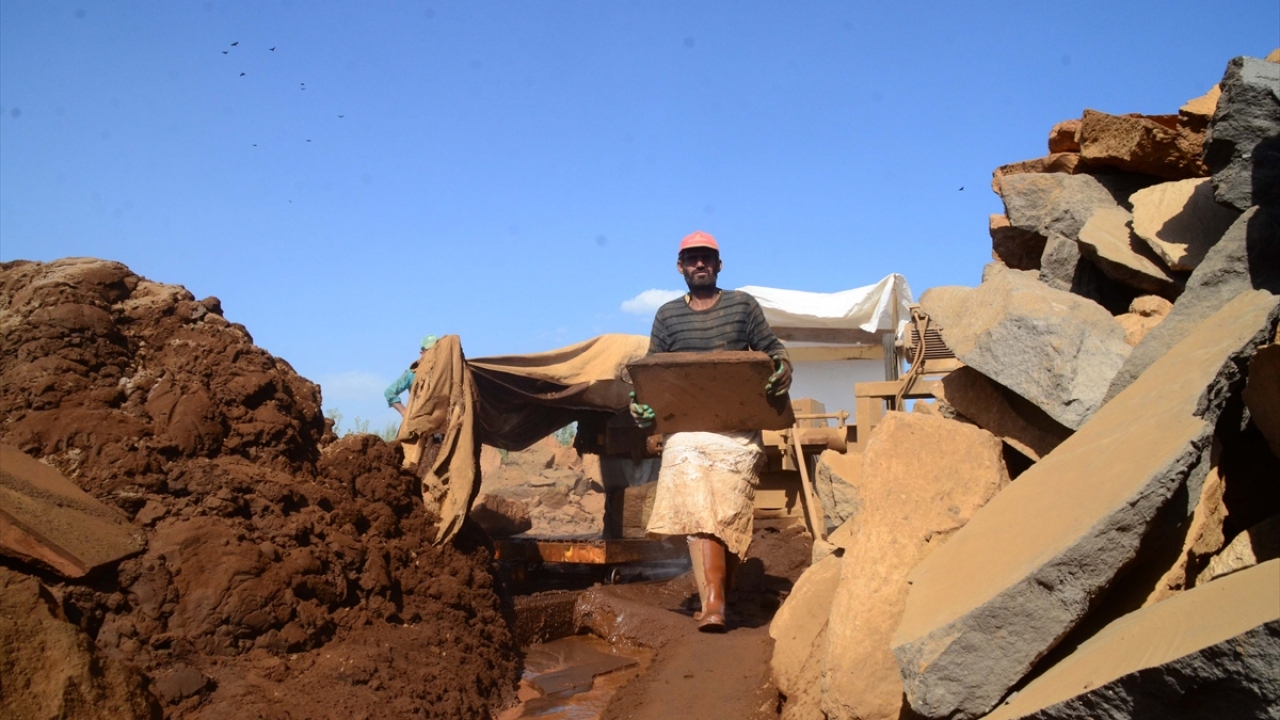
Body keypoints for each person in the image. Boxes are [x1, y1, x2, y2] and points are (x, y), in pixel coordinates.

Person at [632, 230, 791, 632]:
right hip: (687, 434)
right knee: (695, 488)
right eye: (691, 258)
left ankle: (718, 599)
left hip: (737, 432)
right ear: (681, 267)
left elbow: (774, 351)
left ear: (719, 265)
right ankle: (716, 603)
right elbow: (652, 375)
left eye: (707, 257)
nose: (699, 264)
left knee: (726, 504)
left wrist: (782, 369)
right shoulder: (668, 316)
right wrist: (643, 408)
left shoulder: (742, 306)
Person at [385, 334, 439, 417]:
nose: (433, 353)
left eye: (437, 349)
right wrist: (404, 412)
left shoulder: (446, 372)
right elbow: (389, 392)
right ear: (422, 353)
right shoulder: (413, 373)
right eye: (430, 350)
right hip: (419, 420)